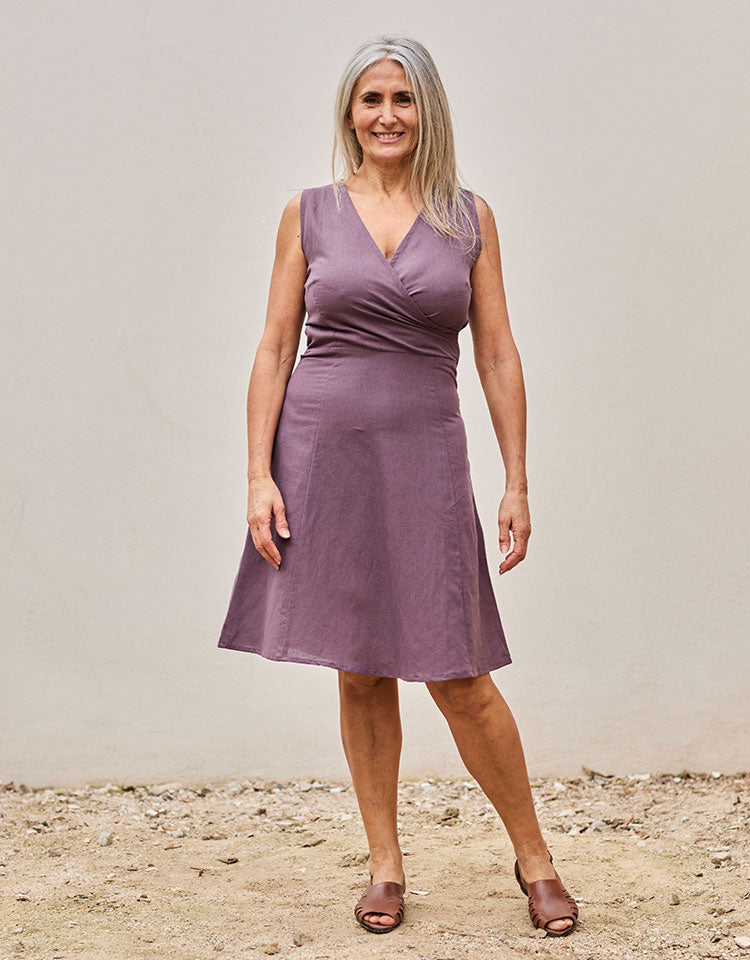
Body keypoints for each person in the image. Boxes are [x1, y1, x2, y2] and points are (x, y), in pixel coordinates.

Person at [217, 35, 579, 937]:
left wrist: (518, 480)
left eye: (404, 100)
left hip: (424, 455)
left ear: (428, 114)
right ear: (350, 111)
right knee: (362, 667)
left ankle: (534, 859)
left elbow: (496, 352)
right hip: (321, 455)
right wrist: (258, 473)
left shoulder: (468, 217)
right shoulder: (306, 214)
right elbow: (272, 346)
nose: (387, 115)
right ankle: (385, 864)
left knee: (460, 675)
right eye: (372, 99)